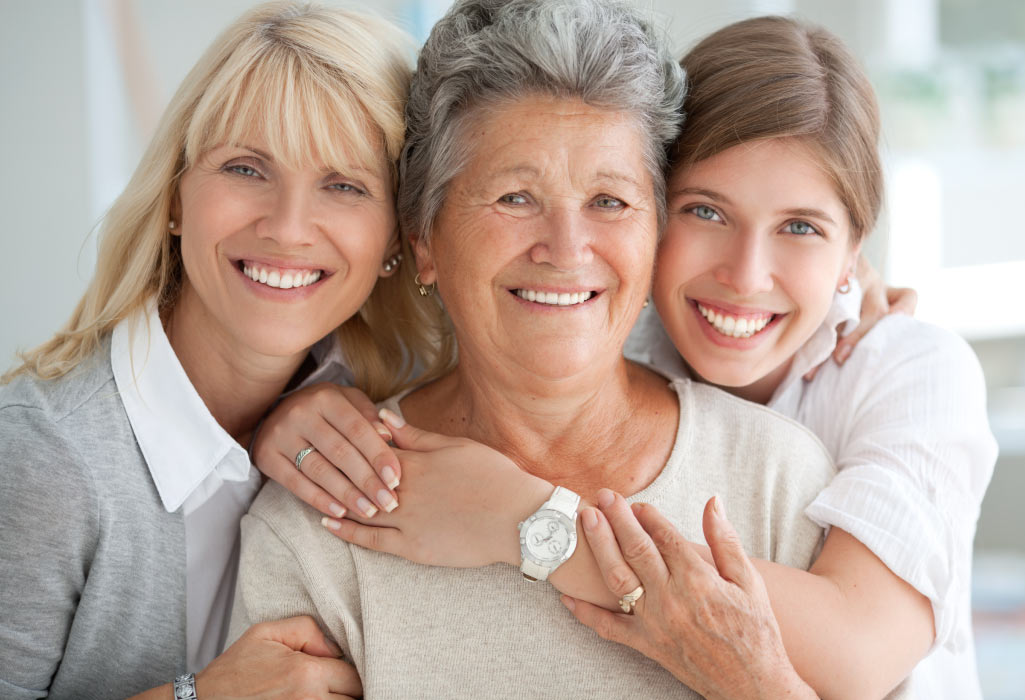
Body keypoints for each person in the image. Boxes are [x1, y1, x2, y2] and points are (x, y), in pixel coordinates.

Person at [250, 11, 996, 700]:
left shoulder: (799, 464)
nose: (568, 250)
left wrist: (526, 523)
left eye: (609, 202)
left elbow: (861, 648)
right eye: (514, 196)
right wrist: (290, 405)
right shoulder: (323, 513)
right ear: (422, 239)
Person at [0, 2, 446, 698]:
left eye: (344, 186)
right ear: (176, 195)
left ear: (396, 239)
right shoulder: (46, 457)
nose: (288, 227)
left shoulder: (401, 398)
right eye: (245, 168)